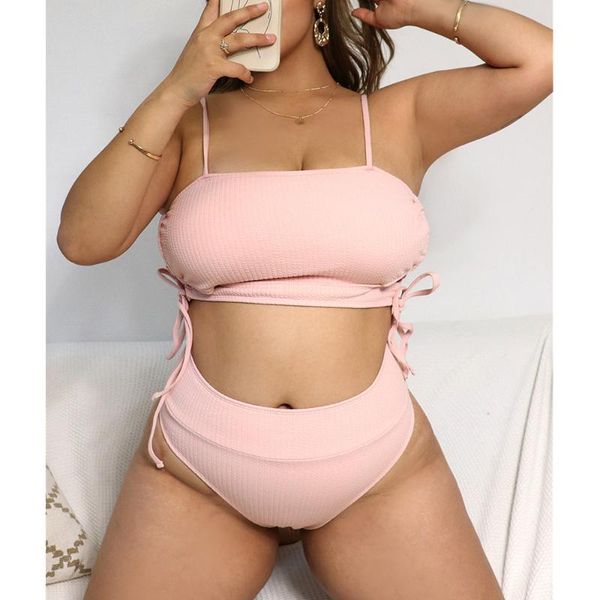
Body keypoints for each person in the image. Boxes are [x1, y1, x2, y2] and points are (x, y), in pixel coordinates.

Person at [57, 0, 552, 597]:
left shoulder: (399, 115)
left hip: (372, 465)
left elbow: (544, 60)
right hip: (201, 468)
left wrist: (418, 8)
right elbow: (84, 241)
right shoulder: (188, 124)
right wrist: (175, 90)